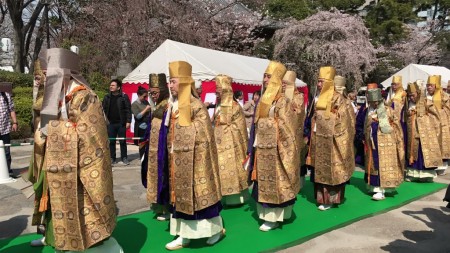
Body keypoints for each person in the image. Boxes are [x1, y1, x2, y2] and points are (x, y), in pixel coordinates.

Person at [28, 48, 122, 252]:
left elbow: (89, 138)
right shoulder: (57, 97)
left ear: (62, 73)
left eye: (46, 76)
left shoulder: (84, 97)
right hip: (58, 169)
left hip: (82, 171)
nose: (42, 81)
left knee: (86, 218)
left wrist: (49, 132)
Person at [164, 61, 224, 250]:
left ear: (182, 83)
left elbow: (204, 133)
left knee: (200, 198)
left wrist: (182, 132)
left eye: (173, 82)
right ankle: (183, 235)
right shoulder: (172, 105)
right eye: (169, 81)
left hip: (197, 161)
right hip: (178, 160)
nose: (170, 86)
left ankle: (214, 230)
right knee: (180, 197)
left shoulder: (196, 105)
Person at [248, 61, 299, 232]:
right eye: (264, 76)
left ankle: (274, 217)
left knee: (277, 182)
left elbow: (287, 126)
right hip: (262, 149)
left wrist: (265, 125)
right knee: (263, 183)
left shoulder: (283, 101)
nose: (264, 79)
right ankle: (266, 214)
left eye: (268, 76)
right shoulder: (264, 100)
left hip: (277, 150)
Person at [305, 66, 355, 211]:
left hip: (333, 142)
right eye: (318, 82)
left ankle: (331, 199)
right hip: (320, 140)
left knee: (333, 170)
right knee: (320, 170)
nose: (318, 85)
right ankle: (322, 198)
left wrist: (323, 119)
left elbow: (343, 121)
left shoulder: (338, 98)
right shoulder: (320, 98)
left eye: (321, 82)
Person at [212, 74, 249, 206]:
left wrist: (225, 132)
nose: (216, 91)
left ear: (226, 90)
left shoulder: (235, 106)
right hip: (218, 145)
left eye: (219, 89)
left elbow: (239, 128)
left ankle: (237, 198)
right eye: (216, 89)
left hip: (232, 146)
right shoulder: (218, 106)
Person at [364, 87, 404, 200]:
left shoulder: (388, 110)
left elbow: (395, 125)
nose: (374, 104)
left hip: (386, 143)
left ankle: (382, 190)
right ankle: (374, 187)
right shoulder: (369, 110)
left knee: (383, 165)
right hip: (372, 141)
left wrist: (381, 122)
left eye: (376, 102)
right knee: (373, 164)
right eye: (372, 102)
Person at [142, 73, 171, 221]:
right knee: (155, 176)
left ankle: (167, 208)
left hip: (163, 148)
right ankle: (159, 206)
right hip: (153, 148)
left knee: (164, 177)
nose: (152, 96)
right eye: (150, 93)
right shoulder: (156, 106)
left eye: (155, 93)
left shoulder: (168, 105)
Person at [405, 81, 442, 182]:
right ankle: (413, 174)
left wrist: (422, 118)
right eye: (410, 96)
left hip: (424, 134)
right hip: (411, 133)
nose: (411, 98)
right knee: (412, 151)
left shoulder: (427, 102)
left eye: (413, 95)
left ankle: (426, 175)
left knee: (423, 153)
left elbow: (436, 117)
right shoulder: (407, 104)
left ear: (418, 93)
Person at [282, 71, 306, 188]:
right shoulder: (280, 96)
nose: (283, 85)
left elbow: (298, 113)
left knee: (293, 159)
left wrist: (288, 103)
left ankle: (296, 183)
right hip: (282, 133)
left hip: (294, 133)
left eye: (285, 83)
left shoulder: (299, 97)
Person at [102, 79, 132, 165]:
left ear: (118, 87)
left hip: (121, 123)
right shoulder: (107, 97)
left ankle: (124, 157)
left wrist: (128, 121)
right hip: (110, 123)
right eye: (110, 85)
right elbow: (103, 110)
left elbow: (128, 110)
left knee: (122, 141)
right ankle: (112, 158)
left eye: (113, 85)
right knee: (111, 141)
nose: (111, 87)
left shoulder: (123, 97)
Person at [425, 75, 450, 175]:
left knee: (441, 145)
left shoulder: (444, 95)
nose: (429, 87)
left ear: (436, 86)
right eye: (427, 85)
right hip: (429, 124)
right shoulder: (425, 95)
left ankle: (442, 166)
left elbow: (448, 109)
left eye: (431, 85)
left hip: (442, 124)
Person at [0, 84, 18, 177]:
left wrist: (15, 123)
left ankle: (7, 171)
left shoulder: (6, 96)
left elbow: (11, 110)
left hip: (4, 128)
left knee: (6, 151)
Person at [131, 86, 151, 159]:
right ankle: (142, 156)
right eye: (144, 96)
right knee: (142, 143)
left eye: (146, 96)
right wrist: (146, 109)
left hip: (148, 124)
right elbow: (138, 116)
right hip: (141, 126)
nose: (145, 98)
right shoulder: (134, 104)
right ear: (139, 95)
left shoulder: (145, 101)